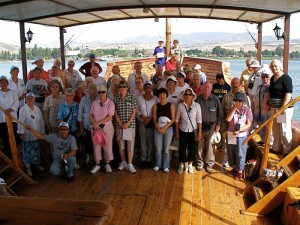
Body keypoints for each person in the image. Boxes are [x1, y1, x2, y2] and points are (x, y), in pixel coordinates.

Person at [266, 59, 293, 155]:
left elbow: (288, 93)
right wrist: (267, 103)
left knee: (284, 129)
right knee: (276, 129)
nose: (274, 68)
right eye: (272, 66)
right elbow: (270, 92)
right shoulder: (273, 78)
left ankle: (287, 151)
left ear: (280, 67)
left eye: (276, 66)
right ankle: (276, 148)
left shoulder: (286, 78)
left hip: (283, 109)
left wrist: (283, 107)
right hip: (274, 107)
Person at [196, 82, 223, 173]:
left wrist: (218, 124)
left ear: (211, 89)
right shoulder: (198, 99)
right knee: (199, 145)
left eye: (208, 87)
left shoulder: (215, 99)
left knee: (210, 146)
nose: (206, 89)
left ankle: (209, 163)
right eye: (205, 87)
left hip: (212, 126)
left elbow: (220, 114)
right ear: (202, 88)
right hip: (200, 125)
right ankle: (199, 162)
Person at [226, 92, 253, 181]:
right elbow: (228, 119)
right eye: (236, 100)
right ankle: (235, 168)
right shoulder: (232, 109)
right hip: (231, 134)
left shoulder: (247, 110)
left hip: (241, 135)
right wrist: (234, 109)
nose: (237, 102)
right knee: (232, 152)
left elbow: (248, 124)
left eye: (239, 101)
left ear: (242, 102)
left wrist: (239, 130)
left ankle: (240, 172)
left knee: (240, 153)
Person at [17, 93, 45, 177]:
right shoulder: (23, 109)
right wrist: (21, 132)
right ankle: (28, 168)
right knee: (27, 152)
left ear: (34, 99)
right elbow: (20, 122)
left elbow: (41, 121)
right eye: (28, 98)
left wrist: (42, 130)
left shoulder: (37, 109)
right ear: (26, 99)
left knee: (36, 150)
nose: (29, 100)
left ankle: (37, 165)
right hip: (27, 135)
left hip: (36, 134)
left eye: (31, 98)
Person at [175, 88, 202, 174]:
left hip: (193, 130)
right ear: (184, 96)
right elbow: (176, 120)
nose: (188, 96)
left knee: (192, 147)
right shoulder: (180, 106)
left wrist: (199, 131)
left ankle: (190, 164)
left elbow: (199, 119)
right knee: (182, 148)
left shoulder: (197, 106)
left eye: (190, 94)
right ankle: (181, 165)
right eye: (186, 94)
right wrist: (176, 132)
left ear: (192, 96)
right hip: (183, 129)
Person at [90, 85, 115, 173]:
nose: (101, 94)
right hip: (96, 127)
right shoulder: (94, 103)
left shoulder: (110, 103)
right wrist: (94, 123)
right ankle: (97, 164)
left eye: (103, 92)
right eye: (99, 92)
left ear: (106, 93)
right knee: (96, 145)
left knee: (107, 145)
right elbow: (91, 114)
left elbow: (110, 116)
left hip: (106, 127)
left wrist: (99, 122)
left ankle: (107, 163)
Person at [114, 80, 138, 173]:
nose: (122, 88)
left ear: (127, 88)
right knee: (121, 145)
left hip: (130, 125)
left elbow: (134, 111)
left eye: (124, 86)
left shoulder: (132, 97)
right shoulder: (116, 98)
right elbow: (115, 112)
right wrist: (120, 123)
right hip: (119, 125)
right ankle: (123, 161)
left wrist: (128, 123)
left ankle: (130, 163)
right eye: (120, 87)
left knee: (130, 145)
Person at [137, 81, 159, 168]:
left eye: (149, 87)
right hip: (142, 121)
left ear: (152, 88)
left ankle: (149, 159)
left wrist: (149, 118)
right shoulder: (139, 98)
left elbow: (157, 110)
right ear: (144, 89)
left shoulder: (156, 99)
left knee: (150, 141)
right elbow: (136, 109)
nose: (148, 89)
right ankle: (143, 159)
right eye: (146, 88)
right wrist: (142, 117)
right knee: (143, 141)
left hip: (151, 122)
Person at [152, 88, 175, 173]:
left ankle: (165, 166)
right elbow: (154, 119)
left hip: (168, 129)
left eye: (164, 94)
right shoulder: (155, 106)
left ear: (166, 95)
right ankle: (157, 164)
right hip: (157, 129)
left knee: (165, 149)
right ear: (158, 96)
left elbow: (173, 119)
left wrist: (165, 127)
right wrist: (158, 128)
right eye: (160, 94)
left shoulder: (171, 105)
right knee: (158, 149)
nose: (162, 96)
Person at [78, 83, 99, 165]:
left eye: (94, 91)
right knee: (88, 143)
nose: (93, 93)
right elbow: (80, 115)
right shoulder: (83, 99)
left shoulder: (99, 98)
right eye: (91, 91)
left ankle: (97, 159)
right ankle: (89, 159)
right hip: (87, 126)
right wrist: (81, 128)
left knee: (97, 143)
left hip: (97, 126)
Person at [0, 75, 19, 158]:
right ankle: (9, 156)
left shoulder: (13, 92)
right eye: (1, 82)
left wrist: (10, 109)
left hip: (12, 117)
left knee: (14, 136)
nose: (3, 84)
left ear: (7, 83)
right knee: (5, 138)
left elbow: (17, 102)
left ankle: (16, 154)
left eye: (5, 82)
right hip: (1, 118)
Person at [253, 68, 272, 142]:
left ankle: (270, 141)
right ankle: (263, 139)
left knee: (268, 126)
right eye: (263, 77)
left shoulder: (271, 88)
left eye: (267, 77)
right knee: (261, 124)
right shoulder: (259, 87)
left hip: (267, 110)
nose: (265, 79)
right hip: (260, 110)